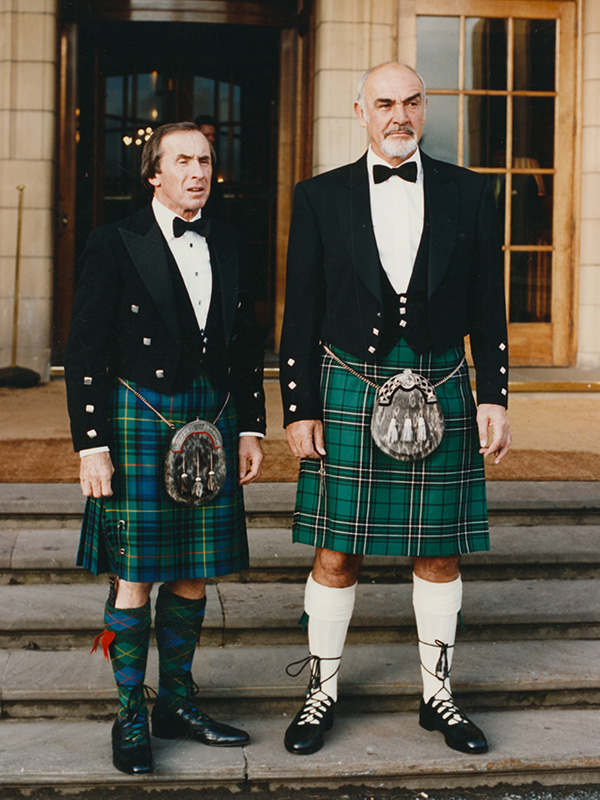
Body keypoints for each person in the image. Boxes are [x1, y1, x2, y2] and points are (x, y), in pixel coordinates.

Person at [279, 63, 511, 757]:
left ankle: (438, 697)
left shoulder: (470, 193)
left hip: (442, 381)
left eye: (411, 101)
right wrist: (299, 406)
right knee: (336, 552)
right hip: (349, 381)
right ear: (360, 111)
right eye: (384, 103)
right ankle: (320, 694)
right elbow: (301, 312)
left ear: (425, 108)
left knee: (439, 555)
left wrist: (495, 393)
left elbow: (488, 303)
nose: (398, 115)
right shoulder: (319, 196)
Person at [65, 121, 265, 775]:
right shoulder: (113, 242)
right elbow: (84, 349)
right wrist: (91, 443)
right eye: (183, 161)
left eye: (206, 160)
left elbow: (244, 344)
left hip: (208, 423)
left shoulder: (230, 242)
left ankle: (177, 702)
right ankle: (130, 712)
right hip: (138, 423)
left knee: (190, 571)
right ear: (154, 173)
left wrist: (249, 428)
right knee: (135, 577)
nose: (198, 171)